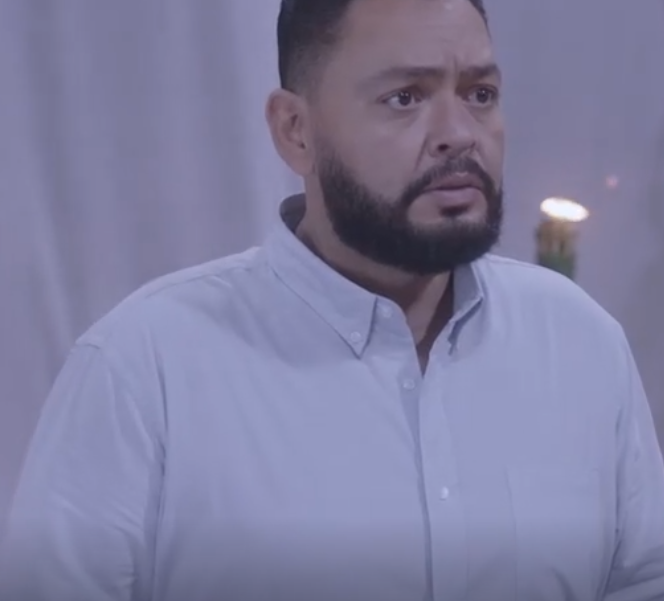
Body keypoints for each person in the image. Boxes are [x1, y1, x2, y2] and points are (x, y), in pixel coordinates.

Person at [2, 0, 664, 599]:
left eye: (480, 93)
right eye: (405, 97)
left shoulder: (580, 344)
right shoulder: (146, 368)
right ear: (295, 130)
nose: (459, 132)